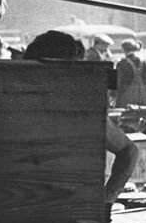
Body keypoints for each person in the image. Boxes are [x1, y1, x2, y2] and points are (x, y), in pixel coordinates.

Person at [22, 31, 138, 209]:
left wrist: (105, 201)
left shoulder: (82, 109)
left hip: (71, 210)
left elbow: (129, 152)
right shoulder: (11, 99)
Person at [115, 39, 146, 107]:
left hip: (126, 99)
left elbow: (119, 82)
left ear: (124, 50)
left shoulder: (122, 63)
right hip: (143, 98)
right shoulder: (145, 63)